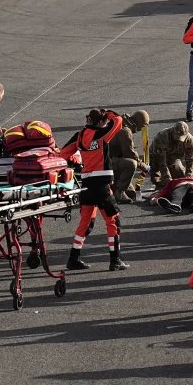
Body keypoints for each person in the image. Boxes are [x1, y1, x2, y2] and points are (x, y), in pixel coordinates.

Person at [61, 109, 128, 271]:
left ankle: (73, 258)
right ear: (100, 122)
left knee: (86, 222)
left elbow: (63, 153)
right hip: (101, 185)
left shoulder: (80, 135)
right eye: (103, 121)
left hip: (86, 185)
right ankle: (115, 259)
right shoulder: (102, 134)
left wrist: (74, 163)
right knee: (113, 221)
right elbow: (118, 121)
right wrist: (109, 113)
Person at [110, 110, 150, 203]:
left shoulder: (121, 124)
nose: (141, 129)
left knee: (132, 193)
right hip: (109, 162)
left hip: (109, 159)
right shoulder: (125, 131)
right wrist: (145, 167)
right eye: (143, 126)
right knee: (132, 164)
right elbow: (130, 154)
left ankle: (117, 187)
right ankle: (119, 192)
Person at [148, 121, 193, 187]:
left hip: (173, 158)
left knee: (181, 178)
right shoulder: (162, 136)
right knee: (160, 180)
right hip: (156, 156)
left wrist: (189, 177)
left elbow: (191, 160)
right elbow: (161, 162)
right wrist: (167, 179)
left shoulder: (190, 140)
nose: (178, 141)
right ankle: (159, 185)